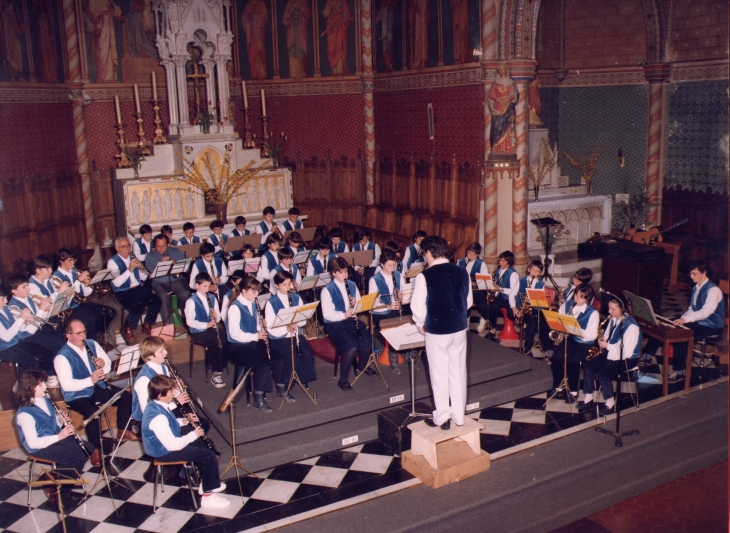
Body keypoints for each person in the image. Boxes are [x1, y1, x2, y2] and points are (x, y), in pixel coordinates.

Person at [141, 375, 230, 509]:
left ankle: (205, 483)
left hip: (168, 444)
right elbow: (173, 445)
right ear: (160, 395)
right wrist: (193, 435)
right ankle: (208, 497)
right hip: (164, 452)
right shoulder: (158, 417)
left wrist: (183, 421)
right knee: (208, 456)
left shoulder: (157, 404)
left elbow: (169, 424)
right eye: (171, 391)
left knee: (205, 445)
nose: (174, 393)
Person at [411, 236, 472, 430]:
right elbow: (468, 302)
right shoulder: (462, 271)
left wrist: (420, 323)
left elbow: (417, 306)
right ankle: (459, 416)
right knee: (458, 372)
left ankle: (442, 417)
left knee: (439, 374)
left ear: (428, 252)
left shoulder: (425, 276)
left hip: (437, 331)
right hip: (459, 329)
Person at [15, 369, 97, 504]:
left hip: (54, 437)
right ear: (30, 388)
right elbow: (32, 443)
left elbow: (49, 422)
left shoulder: (44, 399)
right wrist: (60, 436)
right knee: (74, 456)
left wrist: (59, 421)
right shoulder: (25, 414)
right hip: (40, 446)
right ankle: (60, 492)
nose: (45, 386)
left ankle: (51, 478)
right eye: (40, 384)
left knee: (88, 448)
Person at [54, 319, 139, 448]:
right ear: (68, 336)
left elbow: (107, 365)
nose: (83, 336)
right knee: (92, 412)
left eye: (84, 332)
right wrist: (91, 380)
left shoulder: (92, 344)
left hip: (97, 387)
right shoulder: (62, 357)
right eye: (78, 333)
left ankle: (123, 430)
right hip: (76, 395)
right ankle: (95, 449)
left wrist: (103, 365)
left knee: (126, 397)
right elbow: (67, 385)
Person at [645, 260, 725, 379]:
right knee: (664, 325)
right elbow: (692, 309)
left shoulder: (713, 290)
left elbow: (706, 311)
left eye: (694, 274)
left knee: (680, 337)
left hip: (711, 325)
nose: (691, 277)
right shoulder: (696, 287)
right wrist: (682, 318)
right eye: (690, 274)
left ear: (704, 272)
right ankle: (647, 356)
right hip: (699, 321)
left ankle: (680, 371)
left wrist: (686, 320)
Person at [132, 336, 211, 433]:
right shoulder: (144, 380)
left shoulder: (163, 366)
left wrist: (176, 390)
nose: (166, 353)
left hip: (168, 407)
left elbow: (167, 392)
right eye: (161, 351)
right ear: (150, 357)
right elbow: (149, 411)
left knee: (202, 423)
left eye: (164, 348)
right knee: (197, 428)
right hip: (154, 420)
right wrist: (176, 402)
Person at [579, 295, 642, 416]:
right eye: (609, 308)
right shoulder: (614, 318)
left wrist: (607, 346)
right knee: (588, 366)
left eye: (613, 309)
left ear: (622, 310)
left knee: (603, 374)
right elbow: (608, 334)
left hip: (628, 358)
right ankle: (588, 397)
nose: (609, 311)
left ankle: (610, 402)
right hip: (612, 352)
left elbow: (627, 352)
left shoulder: (632, 326)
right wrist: (603, 339)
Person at [322, 257, 375, 391]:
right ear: (333, 273)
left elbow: (360, 305)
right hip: (335, 324)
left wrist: (356, 304)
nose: (344, 275)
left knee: (367, 342)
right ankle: (343, 380)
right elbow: (327, 314)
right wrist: (344, 314)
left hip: (351, 321)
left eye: (345, 271)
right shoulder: (327, 290)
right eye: (341, 272)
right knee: (351, 346)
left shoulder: (351, 285)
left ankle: (362, 365)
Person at [265, 271, 317, 401]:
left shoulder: (296, 298)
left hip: (295, 334)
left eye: (289, 284)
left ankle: (299, 377)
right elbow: (270, 326)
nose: (288, 287)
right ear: (277, 286)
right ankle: (283, 387)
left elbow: (303, 319)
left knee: (307, 352)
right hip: (279, 337)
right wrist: (286, 327)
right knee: (289, 355)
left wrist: (296, 323)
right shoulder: (271, 302)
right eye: (284, 285)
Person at [225, 277, 275, 412]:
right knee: (263, 363)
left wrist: (261, 326)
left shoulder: (252, 303)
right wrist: (256, 336)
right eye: (253, 292)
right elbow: (234, 333)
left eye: (257, 292)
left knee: (274, 356)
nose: (256, 295)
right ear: (243, 291)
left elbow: (255, 325)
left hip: (252, 342)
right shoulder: (235, 308)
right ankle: (258, 399)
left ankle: (277, 388)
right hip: (237, 347)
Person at [53, 248, 117, 343]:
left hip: (80, 305)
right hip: (69, 309)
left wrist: (89, 283)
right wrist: (79, 281)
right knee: (91, 320)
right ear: (61, 262)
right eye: (69, 260)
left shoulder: (74, 271)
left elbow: (86, 293)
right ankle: (89, 343)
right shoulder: (56, 277)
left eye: (73, 259)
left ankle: (97, 337)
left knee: (110, 312)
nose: (73, 262)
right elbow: (67, 296)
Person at [549, 285, 599, 403]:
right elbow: (560, 316)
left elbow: (593, 335)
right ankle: (558, 387)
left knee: (573, 361)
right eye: (576, 295)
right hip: (570, 338)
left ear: (586, 299)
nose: (577, 299)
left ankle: (573, 391)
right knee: (556, 358)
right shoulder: (568, 304)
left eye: (581, 298)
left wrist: (576, 330)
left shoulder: (593, 313)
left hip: (585, 342)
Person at [109, 237, 162, 344]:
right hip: (122, 291)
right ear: (117, 248)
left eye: (128, 246)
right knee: (137, 308)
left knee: (156, 300)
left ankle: (147, 323)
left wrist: (142, 270)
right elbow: (116, 283)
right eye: (123, 247)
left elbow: (142, 278)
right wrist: (130, 270)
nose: (127, 249)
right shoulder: (112, 262)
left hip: (138, 288)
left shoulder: (133, 257)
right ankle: (127, 327)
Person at [7, 274, 65, 363]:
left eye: (27, 285)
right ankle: (51, 373)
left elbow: (42, 318)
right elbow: (29, 330)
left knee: (63, 336)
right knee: (55, 344)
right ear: (13, 290)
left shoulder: (30, 298)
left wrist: (45, 309)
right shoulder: (13, 307)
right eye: (24, 287)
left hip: (39, 328)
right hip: (28, 336)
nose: (28, 289)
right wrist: (42, 309)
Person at [0, 284, 53, 377]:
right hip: (4, 348)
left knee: (46, 353)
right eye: (2, 299)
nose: (6, 301)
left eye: (5, 298)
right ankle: (23, 387)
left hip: (16, 342)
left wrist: (25, 323)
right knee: (31, 362)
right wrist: (21, 319)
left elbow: (16, 328)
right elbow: (7, 337)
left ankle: (41, 379)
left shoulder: (5, 309)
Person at [185, 273, 228, 389]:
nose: (207, 289)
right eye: (204, 286)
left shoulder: (212, 297)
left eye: (208, 286)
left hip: (211, 327)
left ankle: (220, 364)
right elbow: (190, 322)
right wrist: (206, 324)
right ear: (197, 285)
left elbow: (218, 317)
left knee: (226, 339)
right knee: (215, 344)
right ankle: (216, 374)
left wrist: (215, 316)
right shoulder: (191, 301)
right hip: (198, 330)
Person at [369, 250, 406, 374]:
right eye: (389, 266)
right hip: (381, 313)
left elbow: (404, 292)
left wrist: (402, 296)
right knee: (393, 329)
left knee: (412, 322)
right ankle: (393, 362)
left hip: (396, 309)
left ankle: (412, 354)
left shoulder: (398, 275)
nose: (392, 268)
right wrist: (388, 307)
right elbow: (373, 305)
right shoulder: (374, 280)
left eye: (394, 265)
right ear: (382, 265)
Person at [145, 234, 191, 325]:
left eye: (163, 246)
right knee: (163, 296)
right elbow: (151, 273)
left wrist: (174, 263)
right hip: (159, 282)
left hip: (176, 280)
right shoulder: (150, 256)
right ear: (154, 245)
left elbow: (187, 269)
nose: (161, 248)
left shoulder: (176, 252)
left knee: (186, 293)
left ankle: (187, 319)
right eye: (158, 246)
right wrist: (161, 264)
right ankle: (167, 324)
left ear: (168, 244)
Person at [487, 63, 519, 155]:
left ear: (506, 70)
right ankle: (496, 147)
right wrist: (498, 100)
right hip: (498, 109)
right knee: (497, 128)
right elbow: (491, 95)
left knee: (508, 127)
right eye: (500, 69)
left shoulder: (511, 83)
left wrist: (507, 99)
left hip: (508, 108)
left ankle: (509, 148)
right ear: (498, 71)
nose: (502, 71)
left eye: (503, 69)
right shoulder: (496, 83)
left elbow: (515, 95)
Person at [457, 242, 489, 333]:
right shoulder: (460, 261)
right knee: (463, 303)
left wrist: (473, 283)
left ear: (477, 255)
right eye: (469, 252)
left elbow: (484, 281)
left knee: (481, 304)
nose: (471, 255)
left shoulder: (481, 264)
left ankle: (484, 318)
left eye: (474, 254)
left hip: (477, 289)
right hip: (464, 289)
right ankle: (465, 320)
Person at [517, 260, 547, 355]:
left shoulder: (541, 284)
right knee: (534, 322)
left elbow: (541, 301)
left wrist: (533, 300)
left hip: (534, 308)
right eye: (533, 270)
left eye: (537, 271)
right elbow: (514, 295)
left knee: (535, 321)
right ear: (528, 269)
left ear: (540, 273)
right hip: (521, 307)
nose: (534, 272)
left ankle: (528, 347)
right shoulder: (521, 281)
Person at [488, 250, 520, 335]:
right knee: (492, 307)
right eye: (500, 260)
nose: (500, 262)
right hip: (501, 295)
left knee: (511, 315)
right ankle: (493, 328)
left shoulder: (513, 274)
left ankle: (522, 324)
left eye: (503, 261)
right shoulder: (498, 270)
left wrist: (499, 289)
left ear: (509, 262)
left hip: (511, 297)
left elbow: (514, 291)